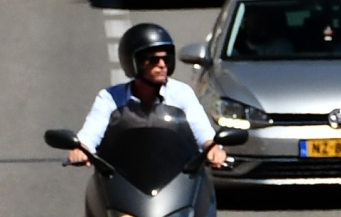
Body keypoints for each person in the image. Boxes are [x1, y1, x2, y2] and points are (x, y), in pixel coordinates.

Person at [67, 24, 228, 171]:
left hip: (177, 178)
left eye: (166, 59)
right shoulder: (110, 98)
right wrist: (81, 149)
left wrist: (212, 148)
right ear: (133, 62)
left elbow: (201, 130)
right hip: (122, 179)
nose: (162, 65)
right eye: (153, 60)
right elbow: (91, 131)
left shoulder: (182, 93)